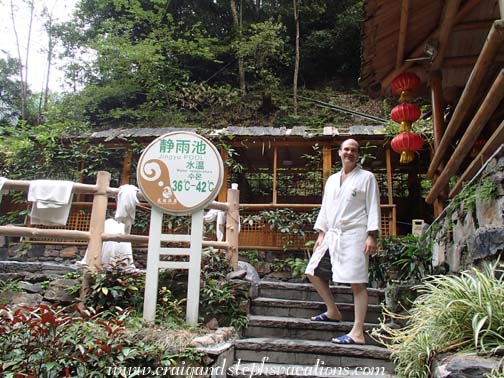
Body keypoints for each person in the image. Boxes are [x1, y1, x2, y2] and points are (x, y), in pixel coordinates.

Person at [304, 138, 381, 345]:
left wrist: (372, 235)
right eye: (346, 149)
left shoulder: (367, 178)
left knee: (357, 282)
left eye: (354, 150)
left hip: (356, 234)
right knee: (313, 271)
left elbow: (373, 206)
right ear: (339, 152)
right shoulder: (331, 180)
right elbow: (325, 208)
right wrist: (321, 233)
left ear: (358, 155)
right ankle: (332, 310)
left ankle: (357, 332)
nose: (349, 152)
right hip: (332, 234)